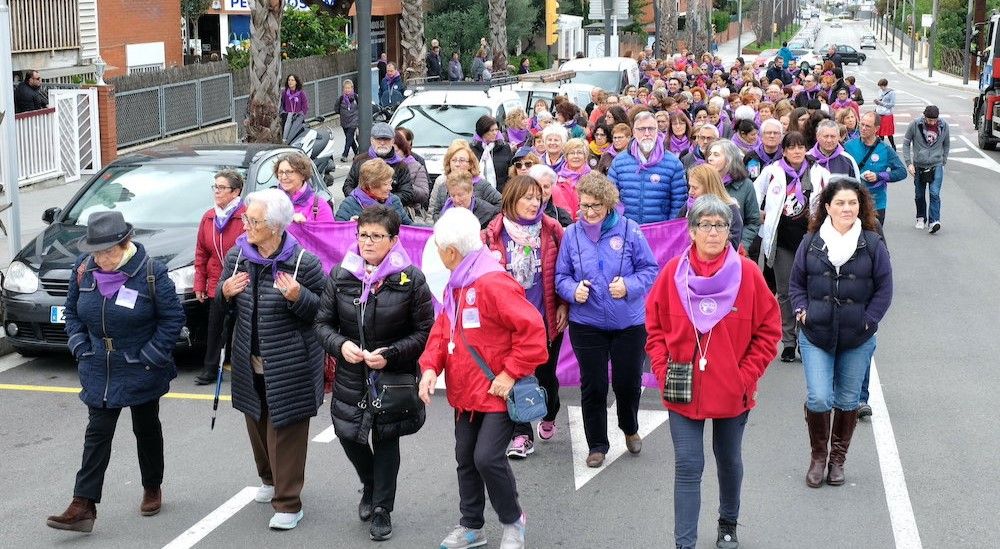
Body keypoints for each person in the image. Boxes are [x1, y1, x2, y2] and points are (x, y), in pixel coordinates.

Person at [645, 195, 781, 549]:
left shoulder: (748, 273)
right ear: (691, 231)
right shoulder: (672, 273)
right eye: (705, 224)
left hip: (732, 390)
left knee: (729, 459)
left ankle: (727, 523)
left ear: (728, 231)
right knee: (688, 466)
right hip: (682, 387)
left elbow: (769, 331)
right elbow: (654, 328)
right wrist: (662, 370)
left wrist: (744, 376)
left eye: (720, 225)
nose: (713, 232)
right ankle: (684, 543)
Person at [46, 211, 185, 533]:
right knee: (97, 432)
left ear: (126, 244)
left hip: (140, 364)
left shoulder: (151, 272)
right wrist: (80, 346)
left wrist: (151, 355)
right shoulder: (83, 270)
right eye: (97, 252)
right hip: (98, 363)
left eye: (109, 252)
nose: (102, 259)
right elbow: (72, 313)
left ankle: (152, 486)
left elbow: (172, 319)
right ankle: (83, 504)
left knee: (146, 427)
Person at [419, 207, 548, 549]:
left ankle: (513, 521)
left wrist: (510, 373)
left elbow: (534, 333)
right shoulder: (458, 281)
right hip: (465, 392)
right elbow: (443, 328)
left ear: (451, 251)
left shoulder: (492, 282)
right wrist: (430, 367)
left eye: (439, 248)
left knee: (487, 457)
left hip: (496, 390)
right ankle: (472, 526)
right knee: (466, 459)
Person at [315, 206, 434, 541]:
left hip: (392, 375)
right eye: (363, 234)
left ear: (393, 240)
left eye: (376, 236)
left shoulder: (410, 280)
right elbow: (323, 324)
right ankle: (370, 483)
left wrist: (392, 354)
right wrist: (340, 346)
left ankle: (382, 508)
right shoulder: (341, 275)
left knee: (385, 438)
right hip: (352, 374)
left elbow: (425, 331)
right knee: (347, 434)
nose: (367, 242)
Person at [219, 189, 326, 531]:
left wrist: (299, 297)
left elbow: (324, 313)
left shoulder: (303, 262)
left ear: (277, 226)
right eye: (246, 219)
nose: (246, 225)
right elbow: (221, 305)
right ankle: (269, 479)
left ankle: (289, 502)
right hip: (249, 359)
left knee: (287, 430)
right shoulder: (238, 257)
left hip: (291, 362)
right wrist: (225, 292)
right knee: (256, 421)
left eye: (254, 220)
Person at [790, 177, 893, 488]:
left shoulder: (872, 242)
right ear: (827, 207)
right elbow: (795, 284)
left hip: (857, 337)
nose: (847, 208)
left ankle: (838, 459)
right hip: (816, 333)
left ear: (860, 206)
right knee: (819, 398)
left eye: (852, 202)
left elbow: (885, 289)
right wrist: (801, 310)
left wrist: (868, 319)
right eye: (840, 203)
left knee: (848, 400)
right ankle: (818, 457)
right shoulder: (811, 241)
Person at [555, 173, 657, 467]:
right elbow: (561, 276)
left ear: (609, 204)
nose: (589, 212)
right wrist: (573, 291)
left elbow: (649, 269)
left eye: (596, 206)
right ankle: (596, 443)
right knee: (594, 385)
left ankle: (630, 427)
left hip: (628, 323)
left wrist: (629, 286)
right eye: (584, 205)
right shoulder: (572, 234)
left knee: (627, 382)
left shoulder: (630, 230)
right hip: (587, 324)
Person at [482, 176, 567, 459]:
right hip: (507, 324)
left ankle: (550, 411)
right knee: (516, 376)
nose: (534, 203)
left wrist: (563, 305)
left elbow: (565, 271)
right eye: (527, 197)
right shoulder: (492, 234)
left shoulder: (552, 230)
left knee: (545, 379)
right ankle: (521, 435)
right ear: (511, 199)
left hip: (543, 319)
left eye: (537, 197)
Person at [754, 131, 831, 363]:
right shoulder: (772, 172)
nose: (796, 151)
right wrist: (758, 214)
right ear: (784, 150)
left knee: (810, 291)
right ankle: (788, 342)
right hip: (782, 243)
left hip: (812, 243)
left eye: (800, 147)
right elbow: (754, 196)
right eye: (791, 147)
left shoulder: (819, 173)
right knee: (786, 293)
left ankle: (805, 339)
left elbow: (831, 200)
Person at [193, 170, 247, 385]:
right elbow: (201, 253)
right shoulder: (209, 217)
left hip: (243, 282)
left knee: (242, 328)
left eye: (222, 187)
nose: (217, 191)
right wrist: (200, 283)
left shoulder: (245, 215)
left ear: (235, 192)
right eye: (215, 187)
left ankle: (243, 370)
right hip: (218, 283)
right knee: (215, 326)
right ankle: (210, 369)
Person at [609, 111, 688, 223]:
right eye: (641, 129)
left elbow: (678, 203)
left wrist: (669, 228)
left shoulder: (673, 163)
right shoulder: (619, 162)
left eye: (651, 129)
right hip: (627, 230)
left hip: (660, 232)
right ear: (634, 132)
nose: (647, 133)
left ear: (657, 131)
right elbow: (611, 198)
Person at [845, 112, 907, 228]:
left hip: (876, 204)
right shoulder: (848, 146)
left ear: (876, 129)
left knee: (873, 241)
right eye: (861, 124)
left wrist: (879, 176)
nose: (863, 128)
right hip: (851, 203)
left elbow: (902, 172)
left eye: (867, 126)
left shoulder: (885, 149)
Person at [705, 139, 761, 251]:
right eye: (710, 154)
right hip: (706, 246)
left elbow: (753, 221)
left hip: (733, 249)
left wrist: (742, 245)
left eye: (716, 155)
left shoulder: (746, 185)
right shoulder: (704, 182)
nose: (710, 158)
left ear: (729, 160)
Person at [902, 105, 950, 234]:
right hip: (919, 164)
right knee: (919, 194)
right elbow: (906, 143)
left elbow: (946, 144)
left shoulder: (944, 126)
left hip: (937, 163)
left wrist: (943, 161)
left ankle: (934, 221)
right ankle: (921, 217)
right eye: (929, 120)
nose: (932, 122)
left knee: (934, 193)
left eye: (934, 120)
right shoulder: (915, 124)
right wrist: (909, 163)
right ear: (924, 117)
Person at [345, 122, 415, 208]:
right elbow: (348, 186)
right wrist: (361, 199)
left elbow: (407, 193)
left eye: (386, 139)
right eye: (378, 139)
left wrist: (384, 201)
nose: (382, 143)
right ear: (372, 140)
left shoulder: (401, 165)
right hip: (361, 209)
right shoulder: (360, 160)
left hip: (391, 212)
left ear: (393, 141)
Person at [430, 140, 502, 219]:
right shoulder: (443, 186)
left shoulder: (482, 185)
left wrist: (483, 221)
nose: (457, 164)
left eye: (462, 160)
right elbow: (435, 211)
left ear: (470, 164)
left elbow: (501, 204)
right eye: (454, 160)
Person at [682, 165, 744, 251]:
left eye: (695, 188)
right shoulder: (689, 206)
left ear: (708, 187)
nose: (690, 192)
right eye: (690, 187)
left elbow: (733, 244)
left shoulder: (730, 209)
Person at [336, 159, 414, 224]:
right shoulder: (349, 205)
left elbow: (409, 228)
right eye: (386, 184)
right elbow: (338, 233)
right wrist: (351, 226)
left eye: (390, 183)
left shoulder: (394, 201)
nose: (390, 188)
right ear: (371, 185)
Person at [273, 152, 335, 223]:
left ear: (302, 175)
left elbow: (328, 233)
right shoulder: (271, 202)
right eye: (280, 172)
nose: (283, 177)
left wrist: (306, 224)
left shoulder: (320, 206)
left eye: (289, 172)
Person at [471, 115, 514, 192]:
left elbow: (510, 173)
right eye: (491, 130)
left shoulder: (504, 147)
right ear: (483, 131)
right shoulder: (472, 148)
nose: (495, 133)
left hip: (500, 194)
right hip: (476, 193)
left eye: (496, 130)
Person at [552, 138, 591, 220]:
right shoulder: (557, 179)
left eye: (579, 153)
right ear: (566, 157)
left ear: (585, 156)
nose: (575, 156)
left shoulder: (592, 178)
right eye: (572, 153)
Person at [394, 129, 430, 216]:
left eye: (396, 151)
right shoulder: (379, 164)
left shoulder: (416, 165)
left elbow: (424, 194)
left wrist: (404, 184)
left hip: (408, 211)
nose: (394, 155)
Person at [335, 79, 360, 162]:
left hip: (354, 121)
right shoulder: (341, 98)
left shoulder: (356, 97)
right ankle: (357, 152)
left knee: (349, 137)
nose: (347, 90)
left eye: (349, 88)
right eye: (346, 88)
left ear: (352, 88)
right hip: (344, 121)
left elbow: (360, 107)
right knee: (350, 139)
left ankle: (344, 154)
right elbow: (336, 109)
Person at [873, 78, 897, 149]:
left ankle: (893, 146)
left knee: (889, 133)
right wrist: (877, 101)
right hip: (879, 113)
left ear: (885, 85)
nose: (881, 88)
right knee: (880, 132)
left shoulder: (891, 93)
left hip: (887, 115)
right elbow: (880, 99)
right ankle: (881, 147)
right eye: (880, 86)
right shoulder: (880, 91)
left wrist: (881, 103)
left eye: (882, 86)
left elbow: (892, 104)